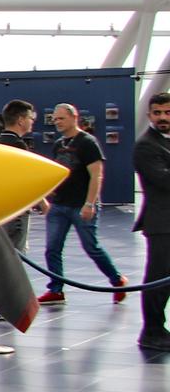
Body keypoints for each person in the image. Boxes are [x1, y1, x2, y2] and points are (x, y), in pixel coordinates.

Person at [37, 102, 126, 305]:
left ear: (73, 117)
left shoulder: (87, 142)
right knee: (52, 248)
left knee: (91, 247)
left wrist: (89, 203)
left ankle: (117, 280)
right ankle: (56, 289)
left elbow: (96, 175)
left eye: (61, 118)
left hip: (80, 204)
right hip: (60, 204)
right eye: (55, 119)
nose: (57, 122)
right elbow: (59, 172)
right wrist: (49, 194)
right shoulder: (58, 144)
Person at [135, 92, 170, 350]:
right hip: (162, 224)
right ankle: (152, 331)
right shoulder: (146, 145)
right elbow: (164, 181)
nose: (163, 117)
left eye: (167, 112)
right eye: (157, 113)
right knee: (158, 279)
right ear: (149, 115)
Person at [0, 99, 47, 252]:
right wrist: (42, 202)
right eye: (31, 118)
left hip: (2, 208)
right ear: (21, 120)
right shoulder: (18, 145)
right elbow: (27, 178)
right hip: (17, 211)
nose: (32, 122)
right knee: (16, 253)